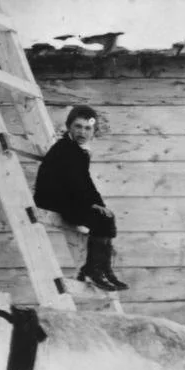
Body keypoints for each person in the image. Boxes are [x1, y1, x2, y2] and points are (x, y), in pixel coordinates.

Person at [33, 105, 127, 292]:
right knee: (99, 218)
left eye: (87, 128)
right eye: (78, 126)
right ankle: (93, 270)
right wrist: (91, 206)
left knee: (106, 216)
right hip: (52, 198)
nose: (82, 132)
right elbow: (73, 183)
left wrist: (100, 205)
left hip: (68, 197)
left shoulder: (79, 150)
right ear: (69, 127)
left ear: (93, 132)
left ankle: (103, 269)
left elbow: (85, 182)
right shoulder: (66, 149)